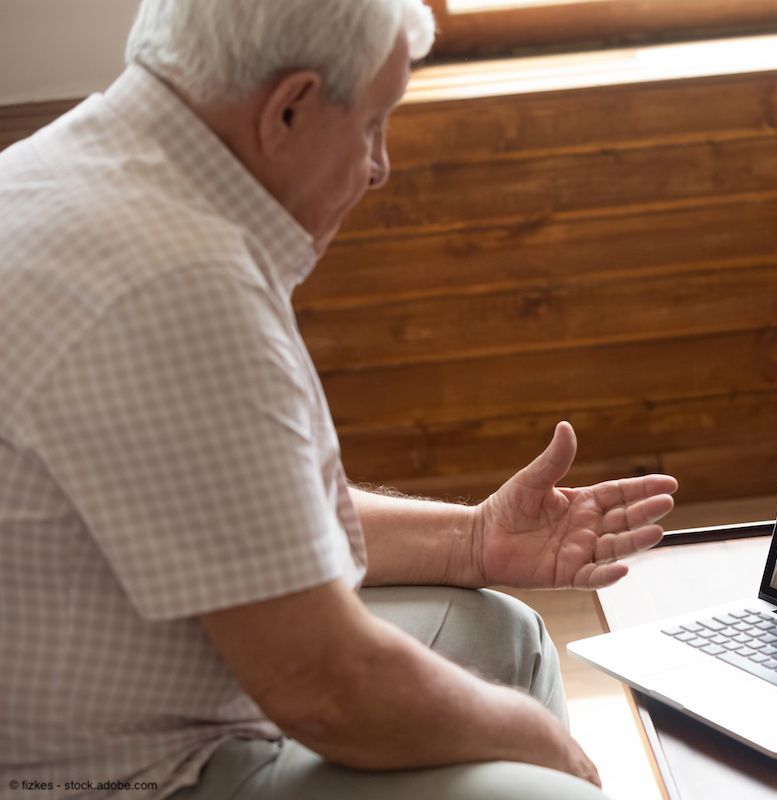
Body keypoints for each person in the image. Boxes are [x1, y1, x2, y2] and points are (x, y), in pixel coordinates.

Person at [0, 1, 678, 799]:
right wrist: (548, 748)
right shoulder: (178, 284)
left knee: (503, 638)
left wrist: (472, 540)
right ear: (288, 107)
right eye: (372, 125)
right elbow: (326, 688)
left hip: (121, 693)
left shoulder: (69, 168)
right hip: (123, 775)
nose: (380, 164)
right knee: (549, 781)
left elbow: (243, 510)